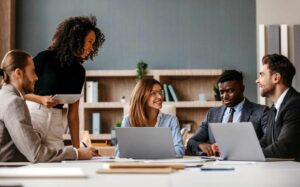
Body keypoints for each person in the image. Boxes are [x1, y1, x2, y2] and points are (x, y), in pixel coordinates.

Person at [0, 50, 96, 162]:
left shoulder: (5, 96)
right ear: (18, 73)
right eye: (33, 72)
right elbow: (36, 154)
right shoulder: (14, 103)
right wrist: (76, 153)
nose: (36, 77)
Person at [25, 15, 105, 149]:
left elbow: (73, 115)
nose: (92, 48)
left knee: (56, 166)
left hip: (56, 121)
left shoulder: (80, 72)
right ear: (77, 39)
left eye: (94, 44)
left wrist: (78, 150)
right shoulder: (44, 58)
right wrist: (40, 99)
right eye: (90, 42)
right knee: (31, 162)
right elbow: (17, 91)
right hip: (35, 116)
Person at [187, 70, 268, 156]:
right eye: (221, 92)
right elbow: (192, 142)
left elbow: (268, 141)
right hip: (217, 166)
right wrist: (200, 145)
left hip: (247, 164)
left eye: (230, 91)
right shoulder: (212, 114)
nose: (225, 96)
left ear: (242, 89)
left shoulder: (261, 112)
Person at [115, 78, 185, 157]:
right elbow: (119, 153)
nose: (160, 97)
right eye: (154, 93)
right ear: (142, 96)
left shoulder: (171, 120)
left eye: (160, 92)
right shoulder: (128, 120)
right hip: (137, 167)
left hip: (163, 167)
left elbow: (179, 150)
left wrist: (147, 153)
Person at [256, 54, 300, 161]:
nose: (257, 80)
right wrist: (243, 151)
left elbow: (284, 147)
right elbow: (266, 141)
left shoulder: (296, 104)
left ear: (276, 78)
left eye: (261, 75)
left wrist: (250, 155)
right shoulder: (273, 109)